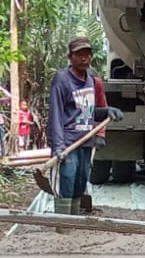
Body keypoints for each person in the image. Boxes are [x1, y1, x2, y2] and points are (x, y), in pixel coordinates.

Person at [48, 36, 122, 215]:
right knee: (67, 179)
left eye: (87, 54)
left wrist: (106, 111)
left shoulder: (90, 80)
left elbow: (87, 111)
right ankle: (63, 224)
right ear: (70, 57)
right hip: (68, 142)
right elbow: (56, 114)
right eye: (79, 54)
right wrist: (58, 147)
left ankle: (73, 218)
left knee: (80, 181)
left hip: (86, 141)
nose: (84, 58)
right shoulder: (62, 80)